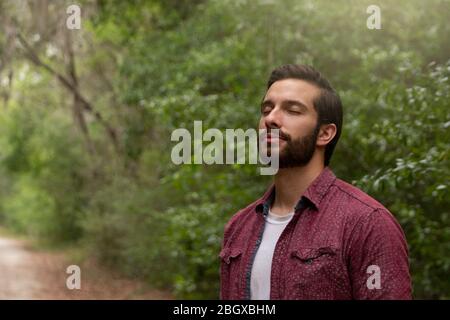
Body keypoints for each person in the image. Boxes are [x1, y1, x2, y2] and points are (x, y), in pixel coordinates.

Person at [219, 64, 412, 300]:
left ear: (325, 134)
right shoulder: (239, 227)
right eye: (267, 109)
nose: (271, 118)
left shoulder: (366, 224)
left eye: (292, 110)